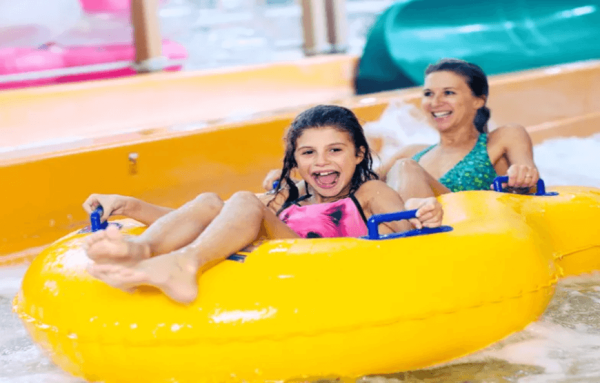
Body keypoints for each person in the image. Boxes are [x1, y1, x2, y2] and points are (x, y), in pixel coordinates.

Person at [82, 105, 443, 304]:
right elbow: (212, 220)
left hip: (322, 271)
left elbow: (405, 236)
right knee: (212, 201)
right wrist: (131, 206)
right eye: (308, 153)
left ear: (359, 153)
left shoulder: (368, 193)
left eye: (335, 150)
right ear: (296, 160)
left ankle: (186, 264)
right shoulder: (290, 194)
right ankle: (139, 250)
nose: (322, 162)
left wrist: (424, 216)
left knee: (244, 201)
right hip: (277, 264)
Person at [263, 59, 539, 199]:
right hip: (415, 234)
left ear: (478, 100)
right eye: (429, 93)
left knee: (406, 168)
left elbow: (526, 170)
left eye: (449, 93)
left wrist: (522, 172)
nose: (436, 102)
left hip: (468, 233)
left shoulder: (502, 138)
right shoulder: (414, 152)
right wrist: (292, 182)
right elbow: (349, 179)